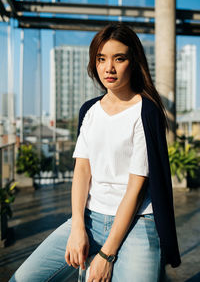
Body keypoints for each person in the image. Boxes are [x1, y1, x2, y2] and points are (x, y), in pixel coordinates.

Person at [10, 23, 181, 282]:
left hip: (137, 223)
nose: (108, 68)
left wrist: (106, 256)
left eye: (119, 58)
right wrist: (77, 226)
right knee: (23, 278)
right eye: (101, 59)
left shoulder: (146, 112)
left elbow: (135, 189)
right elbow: (82, 170)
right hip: (90, 218)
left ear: (133, 62)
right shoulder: (89, 110)